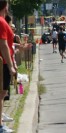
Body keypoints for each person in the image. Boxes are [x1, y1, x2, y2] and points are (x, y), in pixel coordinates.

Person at [0, 1, 16, 132]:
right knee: (1, 93)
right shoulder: (1, 21)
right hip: (3, 63)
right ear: (5, 6)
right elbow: (3, 45)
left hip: (4, 62)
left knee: (3, 93)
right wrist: (10, 65)